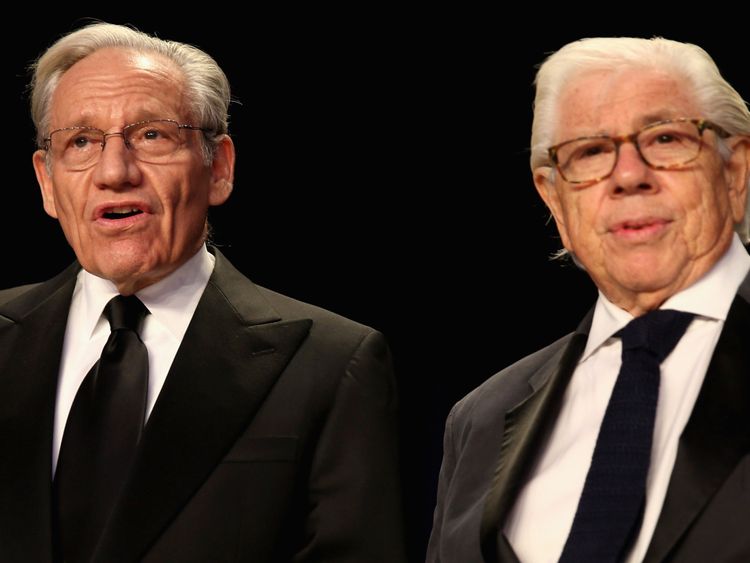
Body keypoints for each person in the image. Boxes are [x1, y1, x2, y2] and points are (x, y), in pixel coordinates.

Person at [0, 22, 406, 563]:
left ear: (219, 168)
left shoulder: (332, 365)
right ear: (48, 183)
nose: (114, 172)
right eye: (81, 142)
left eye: (151, 135)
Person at [427, 36, 750, 563]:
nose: (628, 176)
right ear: (555, 200)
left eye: (666, 138)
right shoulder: (479, 419)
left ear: (735, 172)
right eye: (591, 152)